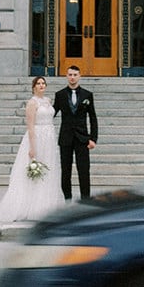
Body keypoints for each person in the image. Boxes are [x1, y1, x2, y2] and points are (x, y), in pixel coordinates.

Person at [0, 76, 64, 222]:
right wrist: (32, 147)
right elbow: (30, 126)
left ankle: (46, 205)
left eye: (43, 83)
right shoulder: (32, 103)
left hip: (49, 138)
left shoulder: (48, 101)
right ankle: (31, 206)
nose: (41, 85)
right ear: (34, 87)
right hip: (37, 137)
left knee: (48, 171)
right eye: (38, 83)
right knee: (35, 172)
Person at [52, 65, 98, 200]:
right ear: (66, 76)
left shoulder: (87, 95)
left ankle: (85, 200)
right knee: (66, 172)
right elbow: (52, 113)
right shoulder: (59, 95)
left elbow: (93, 118)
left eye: (75, 75)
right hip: (65, 138)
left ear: (79, 76)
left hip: (82, 138)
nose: (72, 77)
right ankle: (67, 199)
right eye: (70, 75)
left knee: (84, 171)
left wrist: (93, 139)